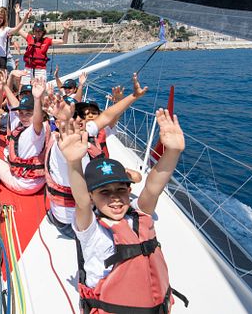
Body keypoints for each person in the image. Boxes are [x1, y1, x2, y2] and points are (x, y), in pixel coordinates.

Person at [57, 109, 188, 313]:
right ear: (92, 196)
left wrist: (172, 152)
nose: (115, 197)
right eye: (104, 192)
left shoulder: (140, 215)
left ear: (129, 190)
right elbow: (81, 201)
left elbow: (153, 188)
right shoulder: (90, 228)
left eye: (120, 190)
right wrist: (73, 163)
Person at [44, 74, 147, 238]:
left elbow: (106, 116)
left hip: (71, 211)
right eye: (72, 116)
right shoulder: (63, 147)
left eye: (79, 115)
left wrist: (133, 96)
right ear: (58, 123)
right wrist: (65, 117)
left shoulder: (83, 131)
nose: (78, 119)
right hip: (73, 222)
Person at [0, 77, 49, 195]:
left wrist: (38, 99)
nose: (23, 117)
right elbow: (15, 105)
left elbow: (37, 121)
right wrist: (5, 86)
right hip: (39, 181)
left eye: (29, 114)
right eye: (21, 113)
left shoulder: (35, 130)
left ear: (39, 114)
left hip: (24, 185)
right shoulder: (31, 126)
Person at [0, 6, 31, 82]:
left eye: (1, 18)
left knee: (2, 80)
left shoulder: (6, 29)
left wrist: (25, 18)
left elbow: (17, 29)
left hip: (1, 57)